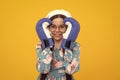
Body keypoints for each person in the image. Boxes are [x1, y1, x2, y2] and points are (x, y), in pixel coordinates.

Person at [36, 9, 80, 80]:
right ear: (48, 28)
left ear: (68, 28)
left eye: (62, 27)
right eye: (53, 26)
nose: (57, 30)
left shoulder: (75, 46)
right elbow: (43, 69)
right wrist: (47, 45)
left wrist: (67, 45)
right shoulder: (40, 45)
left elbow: (72, 70)